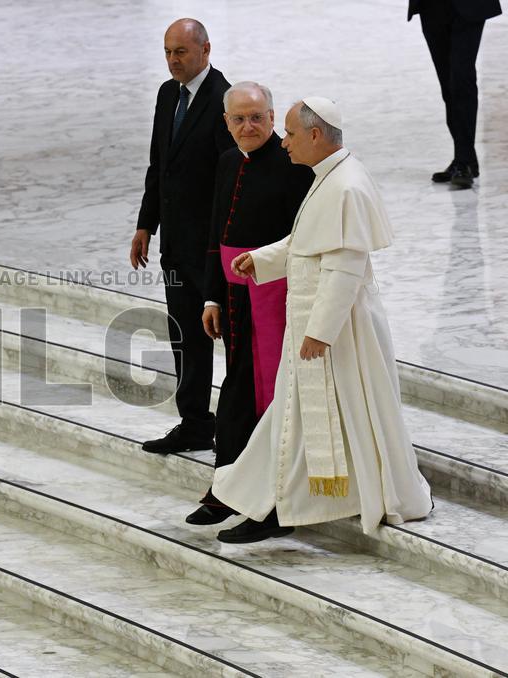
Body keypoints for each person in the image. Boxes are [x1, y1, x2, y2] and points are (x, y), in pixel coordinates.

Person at [212, 97, 433, 544]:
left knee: (312, 418)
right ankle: (277, 503)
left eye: (290, 134)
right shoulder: (328, 176)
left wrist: (319, 333)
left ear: (315, 135)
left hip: (337, 332)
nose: (285, 143)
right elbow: (307, 241)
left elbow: (345, 267)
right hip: (320, 325)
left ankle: (278, 507)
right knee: (300, 419)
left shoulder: (346, 186)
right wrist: (264, 260)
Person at [186, 82, 314, 526]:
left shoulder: (293, 164)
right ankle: (228, 487)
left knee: (264, 395)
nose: (248, 126)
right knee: (237, 393)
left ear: (274, 118)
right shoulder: (225, 163)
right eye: (239, 118)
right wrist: (211, 296)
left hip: (275, 298)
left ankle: (271, 495)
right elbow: (215, 235)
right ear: (227, 122)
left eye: (257, 117)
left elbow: (304, 238)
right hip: (234, 297)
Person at [131, 18, 235, 455]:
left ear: (205, 50)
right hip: (175, 245)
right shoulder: (166, 94)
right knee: (185, 339)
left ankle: (241, 430)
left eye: (182, 52)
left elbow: (229, 181)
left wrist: (221, 245)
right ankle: (194, 422)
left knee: (231, 342)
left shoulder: (226, 101)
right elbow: (161, 165)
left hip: (212, 250)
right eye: (169, 52)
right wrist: (145, 224)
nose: (174, 60)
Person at [409, 0, 502, 188]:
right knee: (448, 86)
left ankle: (463, 161)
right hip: (432, 7)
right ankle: (465, 159)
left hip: (470, 5)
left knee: (461, 79)